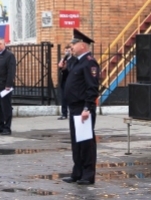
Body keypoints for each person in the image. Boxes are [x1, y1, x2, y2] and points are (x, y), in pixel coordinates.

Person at [62, 29, 99, 186]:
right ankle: (77, 172)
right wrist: (63, 69)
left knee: (86, 143)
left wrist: (87, 108)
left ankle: (88, 174)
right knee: (76, 142)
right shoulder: (76, 61)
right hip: (74, 107)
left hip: (83, 107)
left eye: (74, 44)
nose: (71, 47)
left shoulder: (89, 62)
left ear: (82, 45)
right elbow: (68, 82)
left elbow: (92, 87)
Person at [57, 44, 76, 120]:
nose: (67, 52)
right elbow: (60, 69)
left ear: (71, 51)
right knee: (63, 97)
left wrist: (66, 67)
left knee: (71, 98)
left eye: (68, 51)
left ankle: (73, 113)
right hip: (64, 81)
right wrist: (61, 67)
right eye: (66, 51)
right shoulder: (63, 59)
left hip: (71, 81)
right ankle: (64, 114)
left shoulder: (74, 60)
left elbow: (72, 70)